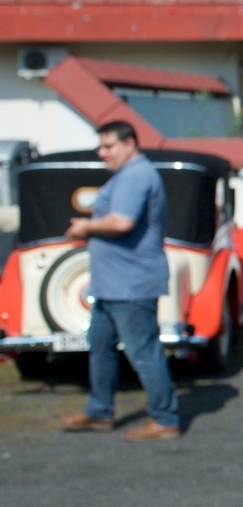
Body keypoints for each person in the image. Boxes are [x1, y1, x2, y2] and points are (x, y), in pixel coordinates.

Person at [57, 121, 180, 441]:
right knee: (101, 346)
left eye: (109, 146)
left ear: (130, 144)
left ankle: (165, 419)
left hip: (131, 285)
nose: (102, 153)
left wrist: (85, 227)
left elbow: (122, 222)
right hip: (111, 285)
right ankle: (100, 412)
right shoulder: (127, 175)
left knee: (144, 352)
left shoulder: (138, 174)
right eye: (101, 146)